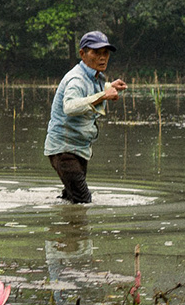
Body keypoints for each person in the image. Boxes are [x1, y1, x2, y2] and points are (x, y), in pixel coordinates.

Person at [43, 31, 126, 205]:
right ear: (82, 54)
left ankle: (65, 228)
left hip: (78, 149)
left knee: (71, 199)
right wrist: (104, 95)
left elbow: (89, 91)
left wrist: (110, 86)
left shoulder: (93, 75)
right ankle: (77, 231)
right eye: (96, 53)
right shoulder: (76, 79)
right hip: (64, 150)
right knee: (83, 200)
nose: (102, 58)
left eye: (105, 53)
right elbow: (70, 107)